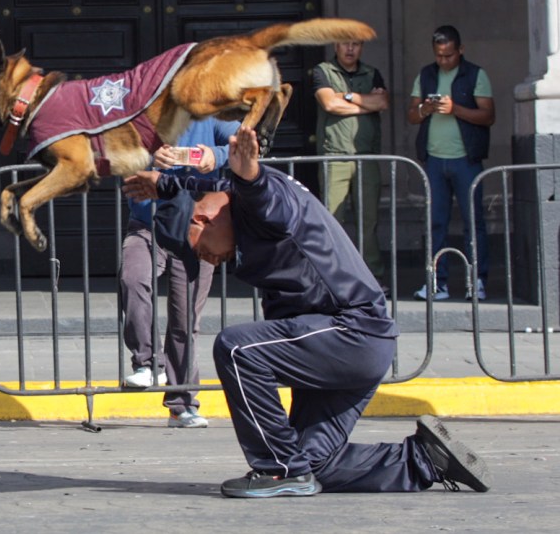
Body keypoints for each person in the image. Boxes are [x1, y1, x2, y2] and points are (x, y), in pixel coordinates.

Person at [122, 124, 490, 498]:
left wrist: (247, 170)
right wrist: (167, 185)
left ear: (203, 220)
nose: (207, 259)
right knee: (315, 464)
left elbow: (255, 189)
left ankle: (278, 471)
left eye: (199, 248)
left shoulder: (263, 202)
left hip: (351, 333)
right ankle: (426, 461)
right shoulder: (233, 205)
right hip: (349, 343)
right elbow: (222, 191)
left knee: (236, 348)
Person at [120, 117, 239, 429]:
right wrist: (148, 157)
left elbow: (249, 142)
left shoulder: (213, 118)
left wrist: (215, 156)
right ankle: (148, 363)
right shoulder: (143, 114)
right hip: (147, 225)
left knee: (185, 320)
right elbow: (114, 152)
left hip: (196, 232)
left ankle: (182, 404)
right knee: (133, 277)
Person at [406, 26, 495, 301]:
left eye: (449, 55)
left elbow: (488, 115)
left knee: (473, 223)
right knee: (435, 223)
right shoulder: (426, 74)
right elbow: (412, 115)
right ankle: (437, 283)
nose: (444, 61)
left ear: (460, 50)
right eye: (439, 56)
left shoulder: (475, 74)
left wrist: (455, 109)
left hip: (466, 160)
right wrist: (426, 109)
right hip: (434, 160)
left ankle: (476, 281)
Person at [312, 40, 389, 288]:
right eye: (345, 43)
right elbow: (329, 104)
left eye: (355, 44)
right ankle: (332, 277)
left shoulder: (372, 72)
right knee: (333, 219)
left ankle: (371, 277)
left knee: (369, 219)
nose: (350, 49)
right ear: (336, 45)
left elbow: (382, 103)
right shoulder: (323, 71)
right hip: (335, 156)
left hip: (366, 155)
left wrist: (348, 96)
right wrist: (366, 103)